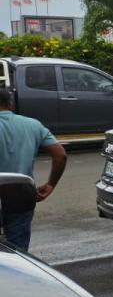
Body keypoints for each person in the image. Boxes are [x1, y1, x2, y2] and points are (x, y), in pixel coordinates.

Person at [0, 87, 67, 252]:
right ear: (10, 104)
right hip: (21, 194)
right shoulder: (33, 125)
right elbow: (60, 155)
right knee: (18, 251)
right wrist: (51, 184)